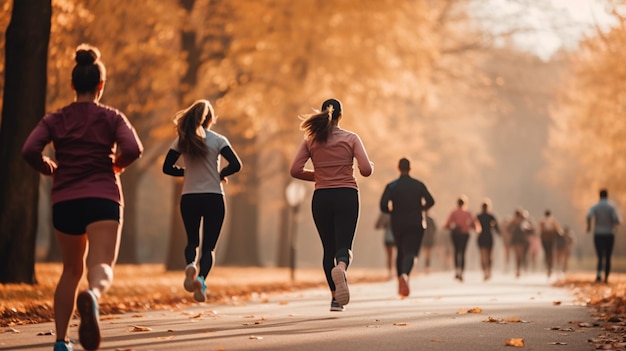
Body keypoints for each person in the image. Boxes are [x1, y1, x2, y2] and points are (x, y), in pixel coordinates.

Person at [21, 44, 143, 351]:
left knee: (70, 270)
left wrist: (48, 167)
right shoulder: (112, 117)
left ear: (73, 84)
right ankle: (94, 296)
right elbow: (134, 148)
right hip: (103, 197)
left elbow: (29, 150)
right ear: (100, 85)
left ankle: (61, 342)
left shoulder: (55, 118)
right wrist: (117, 165)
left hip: (65, 201)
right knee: (100, 265)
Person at [290, 98, 373, 312]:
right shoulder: (351, 138)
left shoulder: (311, 140)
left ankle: (336, 299)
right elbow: (365, 170)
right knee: (344, 245)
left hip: (322, 198)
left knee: (328, 248)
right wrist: (366, 165)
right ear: (341, 116)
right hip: (347, 195)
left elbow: (295, 170)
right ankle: (342, 268)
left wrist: (320, 175)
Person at [162, 99, 242, 303]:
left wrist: (186, 172)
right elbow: (236, 164)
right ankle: (202, 280)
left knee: (192, 241)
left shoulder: (183, 140)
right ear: (210, 119)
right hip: (213, 196)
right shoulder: (218, 139)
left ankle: (190, 264)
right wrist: (221, 173)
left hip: (189, 197)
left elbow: (167, 167)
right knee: (209, 248)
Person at [380, 158, 435, 297]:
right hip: (416, 222)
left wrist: (392, 211)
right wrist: (421, 208)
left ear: (398, 168)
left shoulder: (392, 186)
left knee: (400, 251)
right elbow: (431, 201)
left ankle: (400, 282)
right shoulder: (418, 185)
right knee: (411, 252)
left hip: (398, 222)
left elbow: (383, 205)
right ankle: (405, 275)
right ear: (410, 168)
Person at [586, 189, 621, 283]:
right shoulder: (611, 207)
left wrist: (589, 226)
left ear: (599, 195)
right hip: (609, 234)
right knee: (608, 256)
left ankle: (599, 274)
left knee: (600, 256)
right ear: (607, 195)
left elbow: (589, 215)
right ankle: (606, 277)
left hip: (598, 234)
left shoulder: (595, 206)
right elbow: (616, 220)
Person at [444, 195, 479, 282]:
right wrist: (474, 228)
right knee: (463, 252)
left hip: (455, 234)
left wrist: (450, 226)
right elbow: (475, 224)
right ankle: (462, 272)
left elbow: (447, 224)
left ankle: (457, 271)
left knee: (456, 251)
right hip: (464, 234)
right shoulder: (468, 213)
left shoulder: (454, 213)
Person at [476, 200, 500, 281]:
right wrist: (499, 233)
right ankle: (488, 271)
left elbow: (475, 227)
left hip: (481, 237)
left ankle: (485, 272)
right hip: (489, 237)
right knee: (489, 256)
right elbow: (496, 227)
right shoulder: (491, 216)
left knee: (483, 256)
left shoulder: (478, 217)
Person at [507, 208, 534, 278]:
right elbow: (508, 229)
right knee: (518, 255)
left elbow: (531, 230)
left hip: (521, 240)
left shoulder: (523, 222)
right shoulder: (514, 222)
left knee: (520, 256)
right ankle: (518, 269)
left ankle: (520, 269)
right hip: (517, 240)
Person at [538, 209, 563, 278]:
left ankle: (548, 267)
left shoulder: (542, 220)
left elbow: (538, 228)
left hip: (544, 239)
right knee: (550, 253)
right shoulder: (553, 221)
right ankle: (550, 267)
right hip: (551, 239)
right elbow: (559, 230)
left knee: (546, 253)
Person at [375, 211, 395, 280]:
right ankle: (393, 272)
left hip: (388, 237)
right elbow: (377, 226)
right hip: (395, 237)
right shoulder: (398, 211)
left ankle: (391, 272)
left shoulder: (384, 214)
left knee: (390, 256)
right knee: (392, 255)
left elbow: (377, 226)